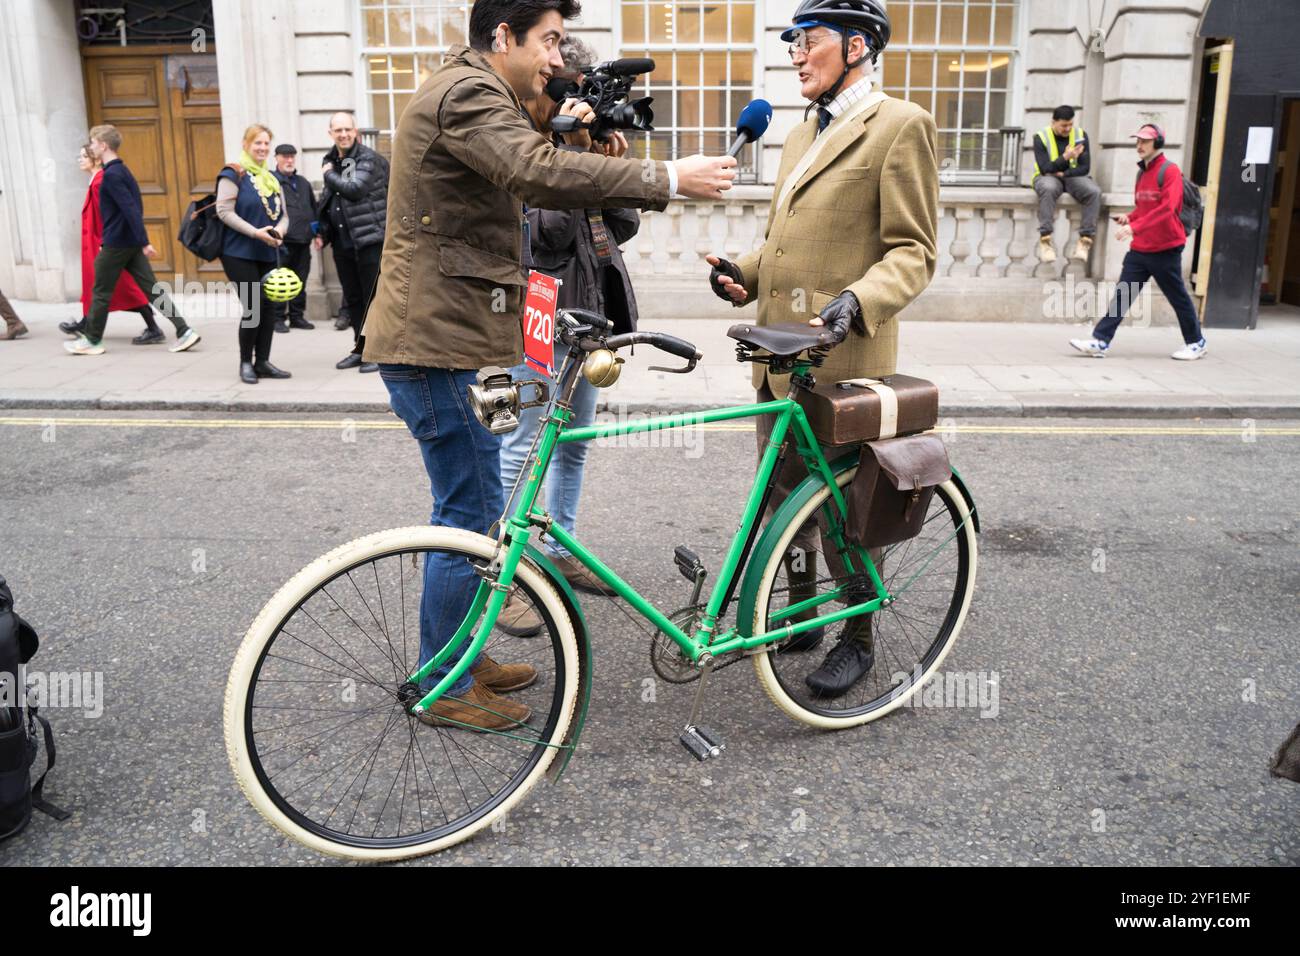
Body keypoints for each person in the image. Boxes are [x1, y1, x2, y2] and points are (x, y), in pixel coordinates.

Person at [363, 0, 737, 731]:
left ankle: (461, 658)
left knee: (472, 513)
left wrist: (594, 132)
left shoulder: (483, 92)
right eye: (549, 41)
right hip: (432, 346)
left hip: (455, 340)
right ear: (503, 36)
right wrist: (667, 178)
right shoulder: (468, 92)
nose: (556, 58)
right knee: (465, 519)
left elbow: (544, 149)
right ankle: (444, 683)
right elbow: (532, 171)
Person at [706, 0, 939, 697]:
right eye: (794, 43)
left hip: (844, 361)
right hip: (778, 361)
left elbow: (914, 251)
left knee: (847, 513)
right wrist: (743, 274)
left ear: (859, 46)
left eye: (809, 42)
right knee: (781, 501)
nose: (796, 54)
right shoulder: (803, 131)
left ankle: (859, 636)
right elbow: (787, 239)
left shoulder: (900, 125)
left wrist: (857, 301)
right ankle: (803, 614)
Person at [498, 34, 639, 602]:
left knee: (574, 440)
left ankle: (560, 551)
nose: (585, 107)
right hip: (541, 311)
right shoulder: (523, 147)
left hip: (589, 315)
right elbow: (547, 236)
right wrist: (574, 159)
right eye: (576, 95)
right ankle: (506, 566)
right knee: (524, 443)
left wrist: (605, 168)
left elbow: (621, 226)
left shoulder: (575, 148)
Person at [1070, 123, 1207, 360]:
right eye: (1138, 140)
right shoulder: (1142, 172)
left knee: (1178, 297)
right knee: (1123, 294)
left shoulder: (1170, 170)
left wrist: (1134, 226)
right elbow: (1145, 207)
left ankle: (1196, 342)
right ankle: (1100, 341)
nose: (1139, 145)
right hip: (1141, 249)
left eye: (1145, 141)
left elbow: (1168, 208)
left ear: (1158, 143)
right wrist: (1130, 217)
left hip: (1166, 248)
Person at [65, 125, 201, 356]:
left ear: (103, 145)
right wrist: (139, 241)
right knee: (151, 289)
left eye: (94, 143)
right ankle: (185, 331)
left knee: (100, 291)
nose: (91, 147)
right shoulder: (122, 171)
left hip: (117, 244)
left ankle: (92, 340)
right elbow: (135, 206)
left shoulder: (111, 176)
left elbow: (130, 209)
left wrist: (144, 241)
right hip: (129, 243)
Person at [60, 143, 164, 344]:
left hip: (109, 243)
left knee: (126, 288)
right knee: (109, 287)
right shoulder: (97, 180)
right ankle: (88, 326)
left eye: (84, 156)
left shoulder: (101, 181)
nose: (80, 159)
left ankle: (93, 335)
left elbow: (108, 215)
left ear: (96, 159)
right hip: (106, 242)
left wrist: (105, 242)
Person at [216, 123, 292, 384]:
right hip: (238, 252)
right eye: (257, 143)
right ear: (245, 145)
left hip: (267, 252)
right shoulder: (232, 174)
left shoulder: (272, 178)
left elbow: (283, 215)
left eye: (265, 143)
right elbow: (224, 212)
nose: (262, 148)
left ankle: (263, 362)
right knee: (253, 307)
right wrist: (255, 232)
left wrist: (279, 231)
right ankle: (245, 363)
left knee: (269, 307)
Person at [317, 111, 387, 374]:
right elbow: (330, 200)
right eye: (338, 130)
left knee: (373, 300)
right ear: (331, 133)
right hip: (344, 242)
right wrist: (322, 230)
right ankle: (360, 349)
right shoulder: (333, 159)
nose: (343, 134)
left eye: (348, 130)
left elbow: (354, 189)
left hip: (369, 240)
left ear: (355, 132)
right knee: (354, 298)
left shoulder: (367, 158)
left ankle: (376, 353)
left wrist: (327, 174)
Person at [1033, 105, 1101, 263]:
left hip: (1072, 176)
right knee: (1049, 188)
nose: (1068, 128)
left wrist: (1065, 173)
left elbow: (1085, 167)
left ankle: (1085, 240)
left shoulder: (1080, 135)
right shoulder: (1040, 137)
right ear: (1053, 122)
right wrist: (1066, 157)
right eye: (1064, 125)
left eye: (1070, 124)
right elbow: (1045, 168)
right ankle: (1045, 240)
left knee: (1094, 192)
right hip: (1046, 177)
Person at [270, 143, 318, 334]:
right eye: (285, 157)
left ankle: (297, 317)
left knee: (300, 280)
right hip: (282, 243)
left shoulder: (303, 182)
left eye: (292, 157)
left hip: (304, 241)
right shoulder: (271, 180)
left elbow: (313, 210)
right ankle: (278, 318)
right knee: (280, 281)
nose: (289, 160)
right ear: (276, 158)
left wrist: (317, 234)